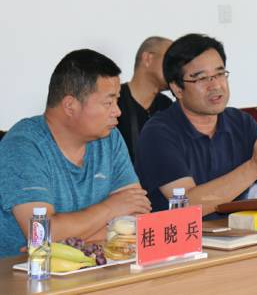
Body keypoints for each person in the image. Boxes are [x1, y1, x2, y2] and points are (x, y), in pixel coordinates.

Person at [134, 34, 257, 218]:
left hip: (235, 232)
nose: (215, 86)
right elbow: (187, 205)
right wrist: (255, 167)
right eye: (201, 78)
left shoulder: (241, 122)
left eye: (219, 74)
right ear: (177, 88)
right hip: (180, 234)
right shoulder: (158, 133)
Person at [0, 49, 151, 258]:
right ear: (70, 105)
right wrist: (110, 208)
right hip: (26, 272)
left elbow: (137, 217)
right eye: (108, 103)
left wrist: (64, 242)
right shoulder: (24, 146)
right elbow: (41, 234)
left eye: (117, 101)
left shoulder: (110, 138)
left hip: (96, 265)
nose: (117, 111)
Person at [118, 36, 173, 161]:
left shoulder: (167, 106)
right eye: (171, 60)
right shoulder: (114, 102)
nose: (176, 69)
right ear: (148, 58)